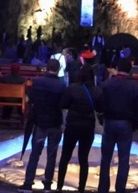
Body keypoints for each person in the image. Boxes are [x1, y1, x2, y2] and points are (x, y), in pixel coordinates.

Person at [19, 57, 67, 192]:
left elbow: (32, 98)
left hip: (40, 122)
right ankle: (47, 185)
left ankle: (28, 183)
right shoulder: (62, 85)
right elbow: (63, 104)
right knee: (52, 154)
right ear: (58, 70)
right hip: (55, 122)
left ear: (47, 67)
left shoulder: (38, 82)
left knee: (35, 153)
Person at [98, 57, 138, 193]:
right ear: (130, 71)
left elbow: (100, 104)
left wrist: (102, 119)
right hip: (126, 124)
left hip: (110, 122)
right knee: (124, 159)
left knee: (105, 158)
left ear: (117, 68)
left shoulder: (106, 85)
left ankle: (103, 188)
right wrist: (134, 125)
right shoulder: (135, 88)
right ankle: (120, 188)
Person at [56, 64, 103, 192]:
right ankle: (81, 187)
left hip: (73, 125)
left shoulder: (72, 88)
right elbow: (100, 108)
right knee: (83, 158)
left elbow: (63, 104)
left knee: (65, 156)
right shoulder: (97, 90)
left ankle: (59, 186)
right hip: (88, 126)